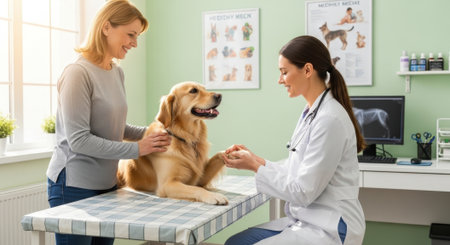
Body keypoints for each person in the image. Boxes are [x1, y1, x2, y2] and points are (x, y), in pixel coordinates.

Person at [46, 1, 171, 244]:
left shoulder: (116, 72)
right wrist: (138, 149)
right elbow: (80, 140)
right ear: (106, 27)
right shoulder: (77, 73)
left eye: (137, 37)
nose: (134, 43)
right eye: (131, 34)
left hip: (108, 184)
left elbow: (113, 127)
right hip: (73, 186)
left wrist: (152, 135)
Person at [222, 35, 366, 245]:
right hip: (309, 219)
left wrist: (254, 166)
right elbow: (297, 168)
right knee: (235, 242)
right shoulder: (312, 112)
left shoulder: (329, 119)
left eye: (284, 72)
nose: (280, 80)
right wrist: (256, 160)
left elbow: (303, 191)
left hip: (331, 226)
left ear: (307, 70)